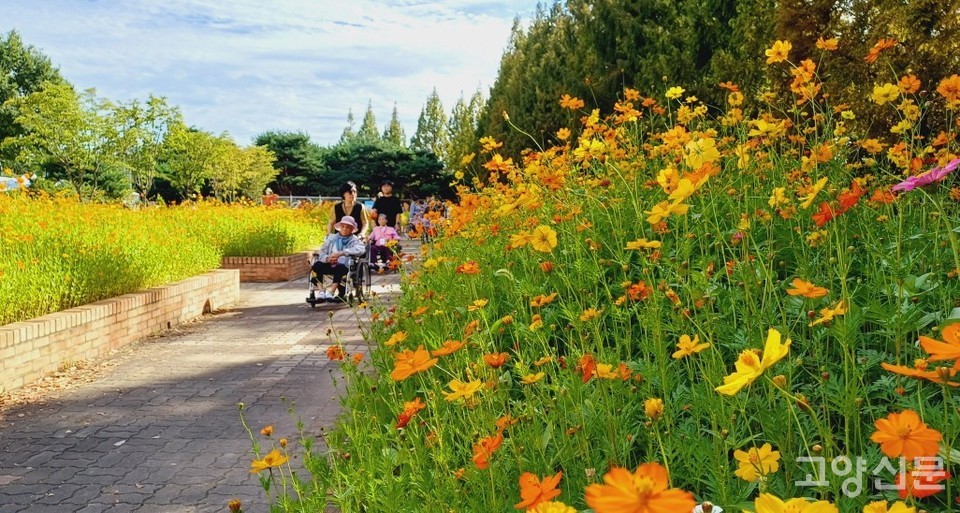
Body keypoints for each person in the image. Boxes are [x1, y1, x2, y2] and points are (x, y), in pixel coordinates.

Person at [310, 215, 366, 303]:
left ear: (352, 229)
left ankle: (331, 292)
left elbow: (361, 250)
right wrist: (328, 258)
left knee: (340, 267)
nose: (345, 229)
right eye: (343, 226)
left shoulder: (355, 240)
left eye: (348, 227)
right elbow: (322, 252)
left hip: (344, 266)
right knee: (316, 265)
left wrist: (342, 253)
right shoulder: (331, 238)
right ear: (339, 227)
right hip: (329, 264)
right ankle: (321, 292)